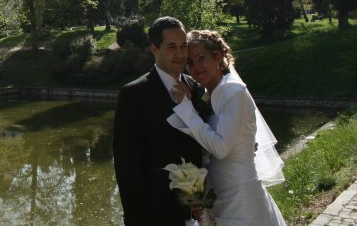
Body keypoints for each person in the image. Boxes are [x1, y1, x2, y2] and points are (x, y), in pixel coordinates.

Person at [167, 30, 286, 225]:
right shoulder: (210, 94)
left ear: (218, 57)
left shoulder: (233, 91)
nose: (195, 67)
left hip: (242, 201)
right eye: (190, 62)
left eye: (201, 58)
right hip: (219, 198)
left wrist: (186, 110)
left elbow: (221, 148)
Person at [113, 17, 209, 225]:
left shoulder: (195, 87)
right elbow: (126, 166)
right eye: (172, 47)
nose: (181, 54)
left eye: (183, 46)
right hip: (153, 213)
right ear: (154, 49)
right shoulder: (134, 94)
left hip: (194, 210)